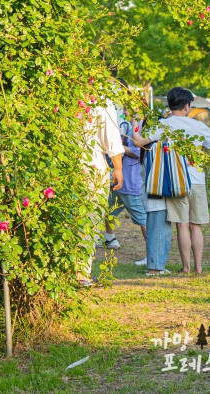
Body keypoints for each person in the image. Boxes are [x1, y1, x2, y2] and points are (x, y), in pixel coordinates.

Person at [134, 87, 210, 275]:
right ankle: (199, 268)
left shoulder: (164, 125)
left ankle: (186, 267)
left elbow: (139, 142)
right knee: (195, 226)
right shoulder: (198, 126)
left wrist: (134, 122)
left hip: (176, 181)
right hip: (197, 180)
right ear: (187, 106)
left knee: (182, 225)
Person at [81, 98, 124, 287]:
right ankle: (81, 273)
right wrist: (118, 168)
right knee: (89, 220)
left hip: (61, 169)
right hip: (91, 167)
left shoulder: (60, 92)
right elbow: (112, 139)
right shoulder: (102, 101)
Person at [103, 115, 148, 262]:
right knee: (108, 209)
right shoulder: (126, 124)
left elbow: (139, 150)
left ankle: (152, 254)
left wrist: (117, 147)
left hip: (132, 181)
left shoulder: (143, 126)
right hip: (120, 179)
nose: (125, 110)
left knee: (142, 219)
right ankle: (109, 239)